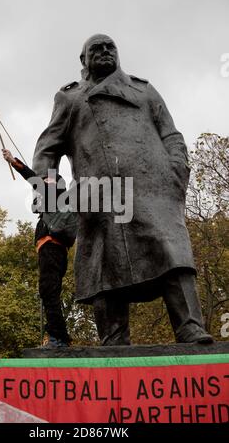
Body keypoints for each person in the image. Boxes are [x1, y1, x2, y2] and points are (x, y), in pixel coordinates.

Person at [32, 33, 213, 346]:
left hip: (154, 193)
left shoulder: (144, 90)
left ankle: (190, 329)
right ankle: (113, 345)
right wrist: (49, 195)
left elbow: (171, 135)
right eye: (95, 49)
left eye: (109, 47)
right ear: (82, 60)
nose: (104, 51)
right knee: (105, 268)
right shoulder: (71, 98)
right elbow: (47, 150)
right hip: (99, 198)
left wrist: (176, 174)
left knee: (173, 254)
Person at [2, 149, 72, 348]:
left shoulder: (58, 194)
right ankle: (57, 336)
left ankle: (58, 338)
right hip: (52, 251)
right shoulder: (55, 201)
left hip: (52, 250)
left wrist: (14, 162)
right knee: (49, 293)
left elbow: (34, 180)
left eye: (47, 181)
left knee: (49, 293)